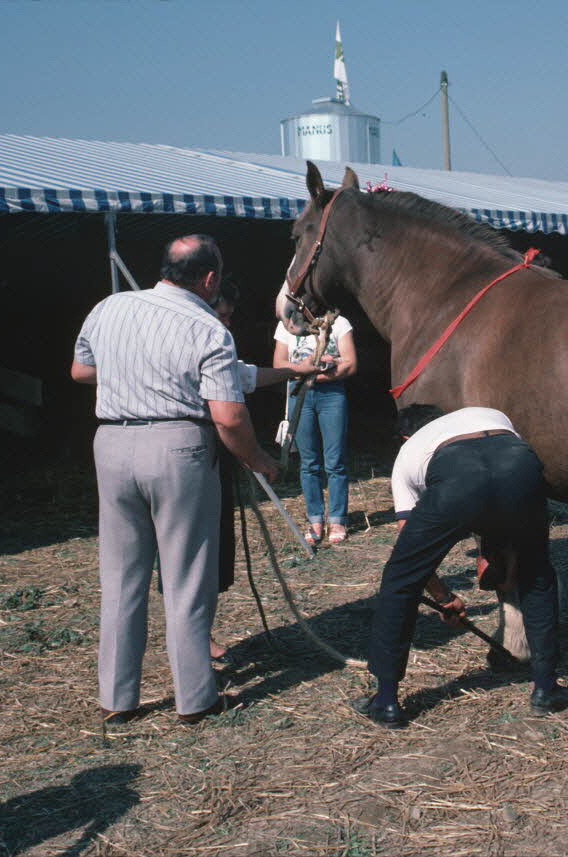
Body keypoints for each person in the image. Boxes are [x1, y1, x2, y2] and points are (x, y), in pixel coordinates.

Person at [72, 234, 279, 725]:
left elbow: (81, 371)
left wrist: (134, 375)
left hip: (113, 442)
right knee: (187, 575)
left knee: (121, 577)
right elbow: (228, 417)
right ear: (209, 279)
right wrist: (258, 459)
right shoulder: (206, 326)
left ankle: (118, 699)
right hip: (177, 446)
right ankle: (195, 699)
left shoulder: (110, 307)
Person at [353, 405, 568, 728]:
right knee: (536, 572)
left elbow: (412, 560)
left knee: (399, 581)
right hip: (518, 460)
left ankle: (385, 702)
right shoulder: (486, 414)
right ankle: (546, 687)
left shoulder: (409, 452)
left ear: (406, 437)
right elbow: (501, 491)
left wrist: (443, 598)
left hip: (459, 475)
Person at [210, 280, 316, 659]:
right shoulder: (203, 339)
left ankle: (198, 635)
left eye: (229, 316)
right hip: (198, 455)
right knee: (200, 551)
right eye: (221, 314)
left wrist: (293, 370)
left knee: (212, 550)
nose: (227, 323)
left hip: (210, 458)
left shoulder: (212, 342)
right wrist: (256, 457)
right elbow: (229, 416)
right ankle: (195, 641)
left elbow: (246, 375)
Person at [273, 313, 358, 545]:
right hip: (300, 393)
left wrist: (325, 369)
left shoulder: (339, 323)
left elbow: (351, 363)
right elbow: (278, 363)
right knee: (308, 461)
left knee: (335, 459)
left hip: (331, 394)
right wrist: (303, 367)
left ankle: (338, 518)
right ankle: (315, 519)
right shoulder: (288, 325)